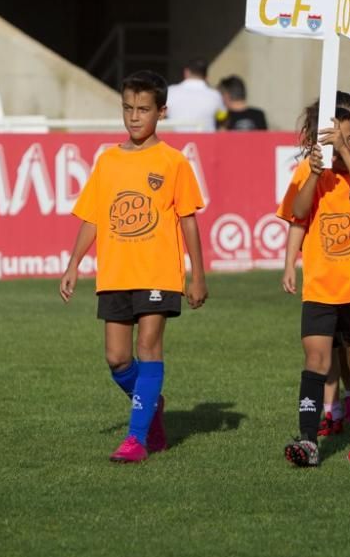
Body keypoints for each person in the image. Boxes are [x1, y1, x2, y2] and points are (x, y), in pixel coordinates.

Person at [58, 70, 208, 463]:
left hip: (158, 272)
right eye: (128, 108)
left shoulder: (174, 162)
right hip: (115, 273)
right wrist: (73, 263)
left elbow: (189, 219)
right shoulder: (108, 161)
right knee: (118, 359)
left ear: (162, 111)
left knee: (148, 346)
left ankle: (136, 439)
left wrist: (198, 275)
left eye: (143, 109)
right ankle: (150, 403)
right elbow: (92, 216)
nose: (134, 116)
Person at [276, 92, 350, 466]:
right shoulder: (310, 174)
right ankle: (308, 441)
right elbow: (297, 211)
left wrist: (346, 152)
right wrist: (313, 173)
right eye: (335, 140)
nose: (342, 147)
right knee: (316, 359)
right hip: (321, 288)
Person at [166, 59, 225, 131]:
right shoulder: (215, 95)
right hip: (206, 141)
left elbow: (160, 116)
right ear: (206, 76)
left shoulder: (170, 91)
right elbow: (222, 118)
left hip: (175, 141)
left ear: (186, 72)